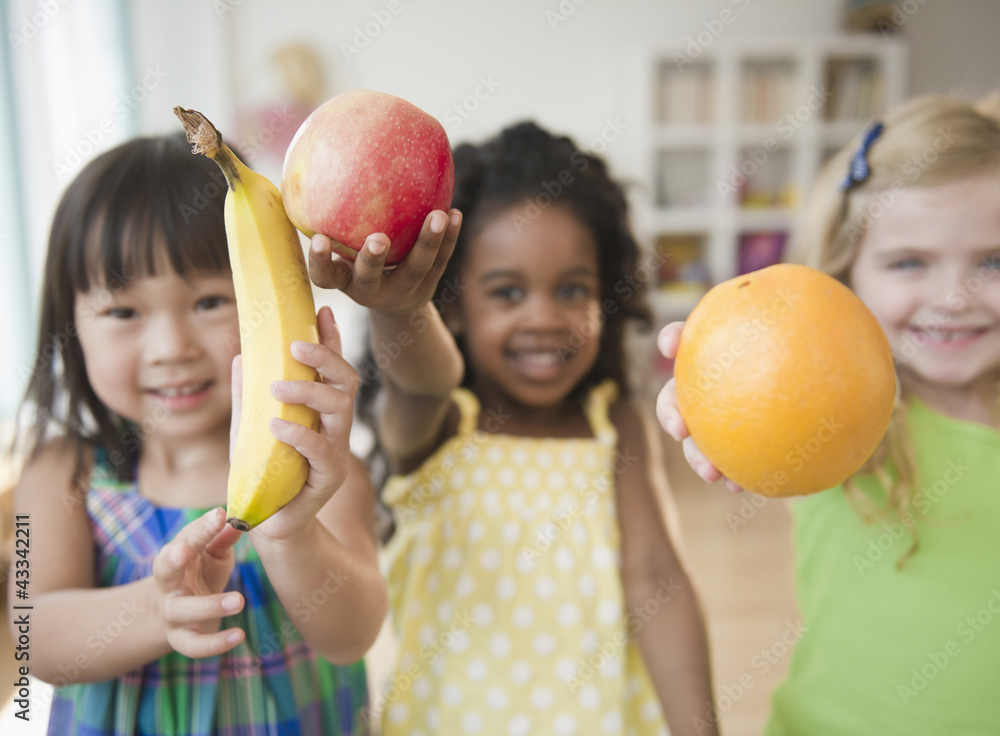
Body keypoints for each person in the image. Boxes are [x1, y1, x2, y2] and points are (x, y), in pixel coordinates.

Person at [308, 121, 720, 736]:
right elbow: (421, 382)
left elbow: (657, 580)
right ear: (453, 305)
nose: (545, 318)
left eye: (572, 290)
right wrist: (402, 306)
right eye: (506, 293)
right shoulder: (442, 423)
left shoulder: (616, 426)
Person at [7, 132, 388, 735]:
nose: (172, 350)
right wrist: (157, 610)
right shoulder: (59, 473)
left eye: (211, 301)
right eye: (124, 312)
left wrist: (291, 532)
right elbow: (32, 634)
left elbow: (353, 635)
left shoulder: (321, 470)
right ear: (69, 324)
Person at [655, 93, 1000, 735]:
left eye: (993, 261)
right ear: (846, 278)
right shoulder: (846, 416)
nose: (955, 298)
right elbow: (762, 409)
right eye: (909, 263)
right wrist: (711, 386)